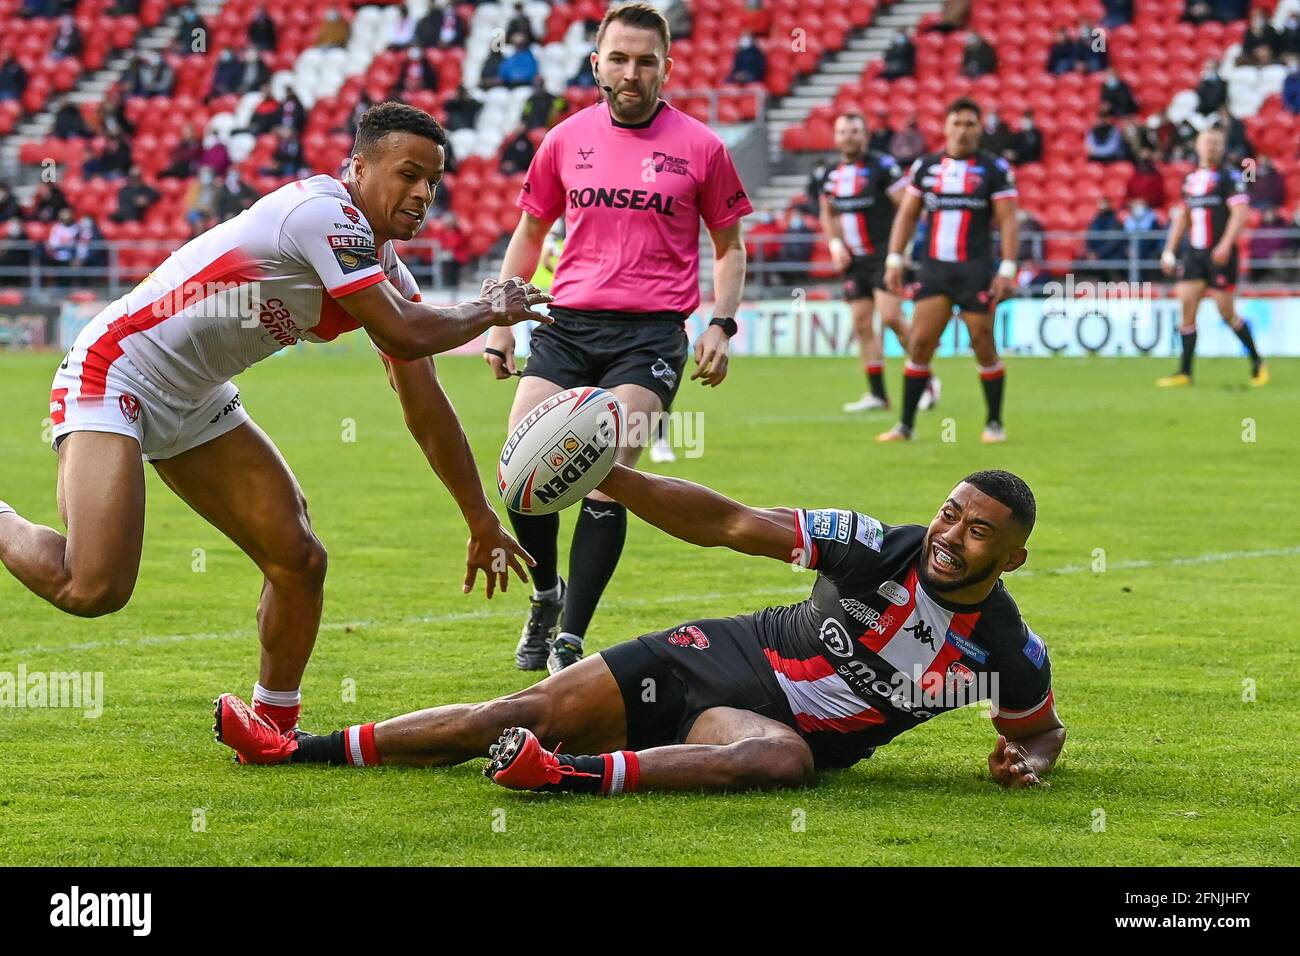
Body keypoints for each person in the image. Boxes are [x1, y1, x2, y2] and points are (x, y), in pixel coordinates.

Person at [0, 103, 549, 742]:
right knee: (91, 586)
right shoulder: (321, 215)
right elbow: (404, 331)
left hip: (197, 397)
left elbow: (424, 405)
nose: (423, 193)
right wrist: (488, 310)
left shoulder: (384, 271)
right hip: (114, 369)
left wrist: (479, 516)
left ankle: (271, 726)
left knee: (298, 558)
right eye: (407, 174)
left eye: (433, 180)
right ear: (359, 166)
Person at [214, 467, 1065, 798]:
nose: (952, 536)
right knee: (512, 710)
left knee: (784, 762)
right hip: (718, 656)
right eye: (951, 514)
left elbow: (1040, 732)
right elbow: (734, 521)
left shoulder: (1003, 650)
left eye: (980, 531)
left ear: (1013, 559)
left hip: (766, 727)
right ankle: (292, 749)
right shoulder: (879, 545)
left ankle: (563, 777)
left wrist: (1024, 761)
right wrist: (611, 474)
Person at [482, 2, 752, 676]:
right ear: (596, 62)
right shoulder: (564, 139)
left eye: (646, 61)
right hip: (567, 326)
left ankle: (570, 639)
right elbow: (529, 233)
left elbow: (729, 246)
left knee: (604, 476)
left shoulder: (703, 148)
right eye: (620, 59)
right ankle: (546, 595)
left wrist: (720, 322)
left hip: (650, 336)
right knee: (520, 475)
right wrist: (501, 324)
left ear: (667, 67)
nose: (632, 73)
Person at [879, 97, 1019, 444]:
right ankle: (905, 426)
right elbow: (908, 215)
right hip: (935, 269)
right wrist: (895, 258)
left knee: (982, 343)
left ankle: (994, 423)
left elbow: (1008, 220)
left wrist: (1008, 268)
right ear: (945, 127)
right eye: (956, 123)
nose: (962, 131)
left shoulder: (994, 169)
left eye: (970, 124)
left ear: (979, 129)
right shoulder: (926, 167)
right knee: (920, 343)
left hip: (976, 269)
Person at [818, 112, 936, 414]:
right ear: (835, 137)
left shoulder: (883, 166)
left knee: (892, 317)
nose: (848, 136)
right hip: (854, 260)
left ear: (865, 135)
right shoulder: (829, 173)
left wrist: (903, 248)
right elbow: (828, 212)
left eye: (854, 131)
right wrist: (834, 244)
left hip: (884, 255)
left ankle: (927, 380)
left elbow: (908, 208)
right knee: (861, 324)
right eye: (843, 131)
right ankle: (878, 395)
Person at [1157, 126, 1266, 387]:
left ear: (1223, 147)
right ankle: (1185, 372)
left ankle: (1257, 363)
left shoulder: (1229, 178)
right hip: (1194, 253)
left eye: (1217, 143)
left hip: (1220, 255)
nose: (1212, 147)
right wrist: (1169, 250)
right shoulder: (1190, 180)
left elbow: (1240, 212)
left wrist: (1226, 244)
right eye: (1208, 142)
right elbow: (1182, 217)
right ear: (1197, 146)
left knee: (1226, 312)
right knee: (1186, 308)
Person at [1082, 196, 1125, 280]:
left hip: (1111, 255)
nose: (1101, 206)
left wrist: (1098, 254)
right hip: (1095, 255)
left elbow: (1112, 243)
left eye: (1103, 204)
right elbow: (1089, 239)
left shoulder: (1115, 222)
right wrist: (1090, 253)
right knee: (1080, 261)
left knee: (1112, 263)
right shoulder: (1095, 221)